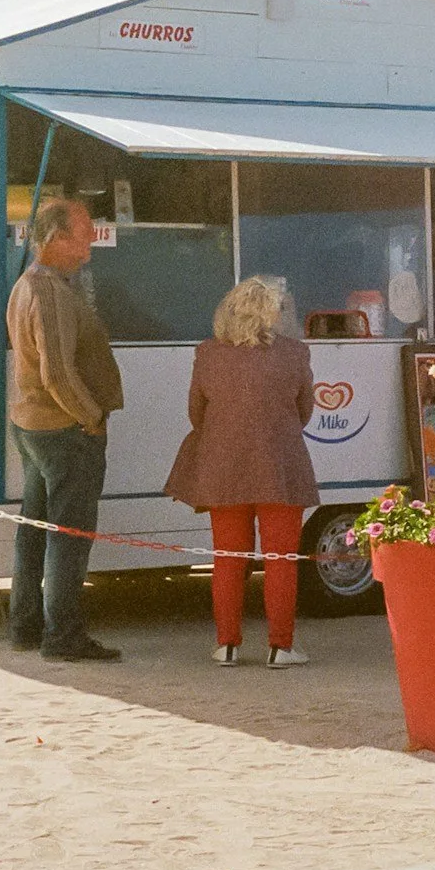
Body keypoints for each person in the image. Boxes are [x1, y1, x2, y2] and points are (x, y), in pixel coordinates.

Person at [165, 277, 319, 669]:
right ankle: (281, 647)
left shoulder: (208, 354)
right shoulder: (295, 354)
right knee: (281, 558)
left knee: (229, 558)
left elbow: (195, 415)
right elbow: (304, 413)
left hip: (223, 468)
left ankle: (227, 645)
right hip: (281, 467)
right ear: (273, 315)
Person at [6, 199, 125, 662]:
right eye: (83, 232)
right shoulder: (49, 290)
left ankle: (26, 626)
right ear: (56, 237)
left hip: (34, 425)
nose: (90, 242)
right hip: (62, 430)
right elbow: (57, 371)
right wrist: (90, 418)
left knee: (34, 531)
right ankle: (63, 635)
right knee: (67, 537)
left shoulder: (28, 285)